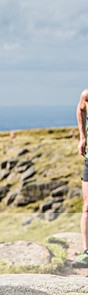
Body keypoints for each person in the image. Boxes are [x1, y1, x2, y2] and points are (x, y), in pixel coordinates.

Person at [73, 88, 88, 268]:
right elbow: (81, 108)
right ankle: (86, 252)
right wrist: (82, 137)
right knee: (86, 207)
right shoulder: (86, 96)